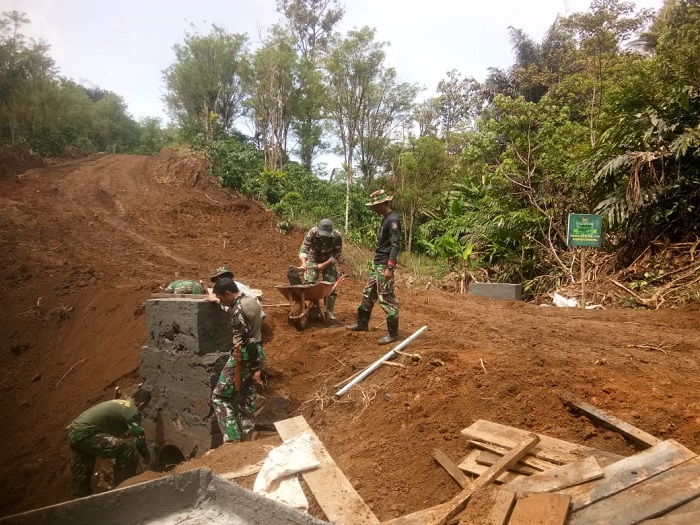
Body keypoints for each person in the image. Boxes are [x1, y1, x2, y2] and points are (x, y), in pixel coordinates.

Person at [67, 388, 152, 498]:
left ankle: (80, 501)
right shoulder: (132, 410)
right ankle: (120, 489)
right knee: (127, 450)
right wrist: (146, 457)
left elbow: (108, 428)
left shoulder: (118, 403)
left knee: (81, 477)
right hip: (87, 433)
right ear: (142, 404)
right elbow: (139, 439)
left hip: (75, 433)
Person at [210, 277, 265, 443]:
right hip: (257, 352)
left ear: (227, 294)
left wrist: (255, 368)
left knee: (219, 397)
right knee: (245, 396)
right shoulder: (251, 301)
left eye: (220, 297)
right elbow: (238, 312)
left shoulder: (238, 311)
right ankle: (248, 434)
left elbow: (248, 340)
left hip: (245, 356)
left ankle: (232, 438)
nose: (220, 300)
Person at [346, 189, 402, 344]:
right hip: (377, 263)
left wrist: (390, 267)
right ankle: (362, 324)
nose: (373, 208)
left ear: (381, 204)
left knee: (386, 297)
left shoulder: (393, 220)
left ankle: (393, 334)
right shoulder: (385, 219)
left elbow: (395, 245)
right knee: (368, 293)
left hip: (384, 264)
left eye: (374, 205)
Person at [298, 219, 343, 322]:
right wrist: (304, 263)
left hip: (329, 260)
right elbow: (304, 248)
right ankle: (315, 307)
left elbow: (337, 254)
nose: (324, 236)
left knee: (330, 286)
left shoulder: (337, 236)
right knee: (311, 285)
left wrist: (324, 265)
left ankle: (329, 312)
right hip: (313, 257)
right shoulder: (312, 233)